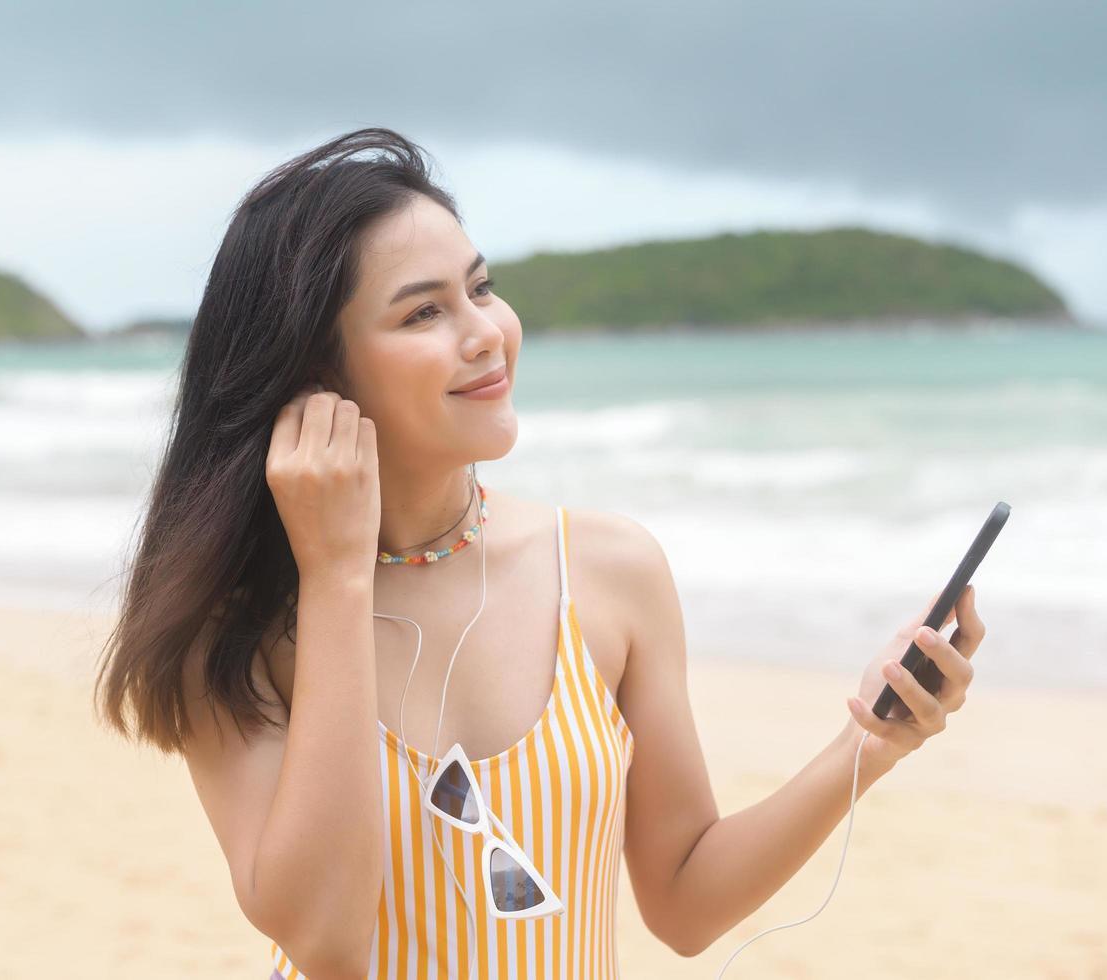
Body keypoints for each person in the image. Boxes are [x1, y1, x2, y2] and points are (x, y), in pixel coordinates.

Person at [92, 127, 987, 978]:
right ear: (317, 381)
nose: (485, 333)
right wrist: (332, 574)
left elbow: (683, 900)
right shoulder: (232, 626)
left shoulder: (608, 572)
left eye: (480, 289)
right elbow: (329, 942)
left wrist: (869, 742)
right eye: (423, 314)